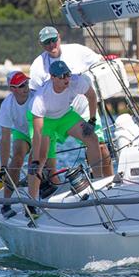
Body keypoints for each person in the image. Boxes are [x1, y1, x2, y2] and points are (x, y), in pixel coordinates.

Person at [29, 26, 111, 176]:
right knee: (41, 155)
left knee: (99, 145)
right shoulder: (37, 66)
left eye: (54, 40)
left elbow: (99, 61)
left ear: (59, 37)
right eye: (47, 43)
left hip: (82, 108)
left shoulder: (77, 50)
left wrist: (91, 120)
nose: (51, 45)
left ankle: (107, 182)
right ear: (41, 45)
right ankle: (38, 192)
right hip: (50, 114)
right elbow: (35, 100)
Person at [28, 61, 109, 200]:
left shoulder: (76, 81)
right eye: (62, 76)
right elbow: (37, 132)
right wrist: (34, 159)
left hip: (65, 115)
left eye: (68, 75)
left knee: (92, 138)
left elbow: (92, 96)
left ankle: (98, 182)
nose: (66, 79)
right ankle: (32, 202)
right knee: (40, 158)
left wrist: (92, 120)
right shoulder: (40, 98)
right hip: (45, 120)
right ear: (52, 77)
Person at [0, 71, 52, 217]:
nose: (26, 87)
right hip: (22, 133)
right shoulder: (7, 105)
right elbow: (5, 139)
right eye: (21, 86)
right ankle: (6, 203)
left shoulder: (35, 98)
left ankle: (32, 203)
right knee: (17, 159)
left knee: (34, 159)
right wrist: (3, 166)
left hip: (41, 131)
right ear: (12, 89)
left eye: (26, 83)